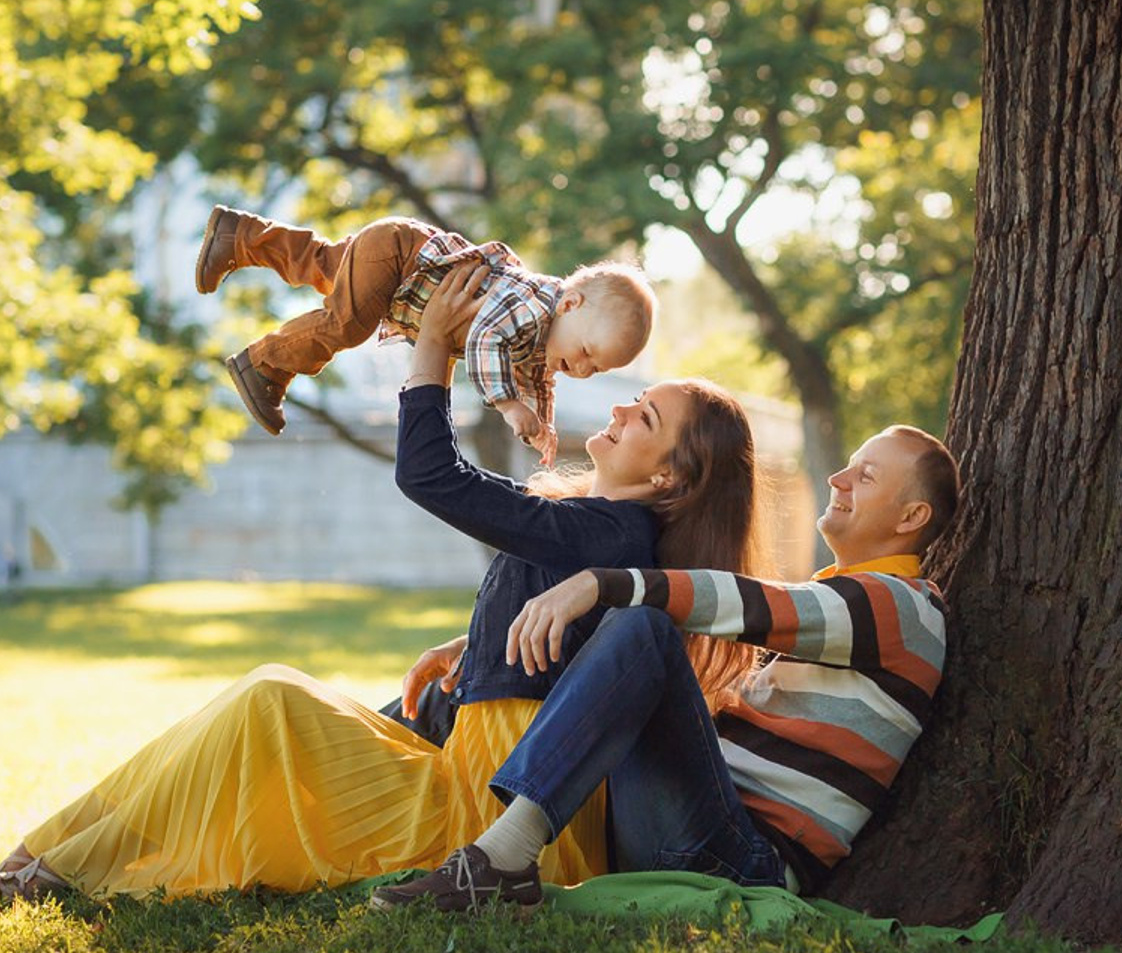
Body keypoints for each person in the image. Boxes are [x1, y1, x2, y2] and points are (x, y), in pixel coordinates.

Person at [0, 267, 757, 904]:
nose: (622, 404)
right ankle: (47, 857)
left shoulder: (616, 535)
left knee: (270, 701)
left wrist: (431, 351)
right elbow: (562, 630)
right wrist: (477, 642)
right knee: (269, 706)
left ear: (668, 476)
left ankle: (56, 865)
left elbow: (433, 478)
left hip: (487, 816)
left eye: (646, 415)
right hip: (465, 773)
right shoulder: (598, 529)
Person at [370, 421, 960, 913]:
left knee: (642, 621)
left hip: (738, 858)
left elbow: (748, 603)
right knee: (620, 635)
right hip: (678, 819)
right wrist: (482, 645)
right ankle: (377, 774)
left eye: (867, 474)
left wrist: (603, 583)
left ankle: (498, 862)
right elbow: (664, 671)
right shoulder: (844, 609)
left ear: (911, 517)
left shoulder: (906, 610)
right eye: (850, 464)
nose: (838, 478)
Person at [196, 204, 656, 462]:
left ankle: (238, 236)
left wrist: (543, 422)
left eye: (594, 369)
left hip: (401, 265)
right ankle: (264, 364)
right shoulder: (534, 304)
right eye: (585, 353)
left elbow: (540, 378)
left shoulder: (547, 337)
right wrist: (509, 404)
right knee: (347, 326)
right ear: (571, 304)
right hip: (400, 257)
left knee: (320, 265)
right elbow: (485, 340)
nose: (580, 368)